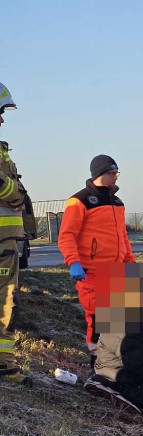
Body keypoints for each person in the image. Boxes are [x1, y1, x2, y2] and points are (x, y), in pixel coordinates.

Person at [58, 154, 135, 368]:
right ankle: (96, 364)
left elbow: (122, 237)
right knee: (97, 318)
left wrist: (130, 262)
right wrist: (73, 261)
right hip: (91, 272)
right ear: (100, 173)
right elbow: (67, 235)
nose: (116, 177)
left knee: (119, 320)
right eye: (112, 173)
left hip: (117, 271)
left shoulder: (117, 202)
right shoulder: (79, 201)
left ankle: (117, 362)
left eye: (117, 173)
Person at [0, 81, 35, 383]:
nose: (1, 120)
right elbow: (5, 187)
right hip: (1, 243)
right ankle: (3, 364)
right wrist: (16, 195)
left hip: (8, 240)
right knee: (5, 299)